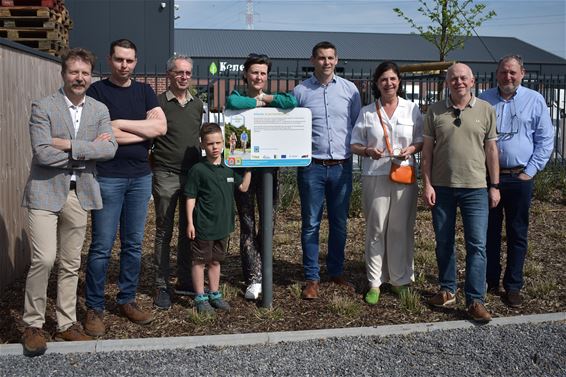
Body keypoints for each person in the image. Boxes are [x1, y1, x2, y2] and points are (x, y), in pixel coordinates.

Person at [20, 48, 117, 356]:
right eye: (74, 72)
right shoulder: (43, 106)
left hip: (81, 193)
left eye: (85, 73)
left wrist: (68, 145)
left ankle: (66, 324)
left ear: (91, 76)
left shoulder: (100, 110)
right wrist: (86, 150)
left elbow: (110, 150)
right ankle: (33, 324)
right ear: (63, 73)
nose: (79, 78)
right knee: (45, 259)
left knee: (71, 263)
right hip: (45, 192)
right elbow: (43, 153)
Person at [84, 39, 167, 336]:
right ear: (110, 60)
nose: (124, 65)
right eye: (119, 59)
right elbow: (99, 133)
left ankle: (127, 299)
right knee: (102, 246)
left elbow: (160, 128)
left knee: (133, 245)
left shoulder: (145, 91)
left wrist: (119, 125)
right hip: (107, 176)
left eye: (129, 60)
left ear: (136, 61)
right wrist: (139, 129)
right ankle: (94, 306)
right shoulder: (96, 91)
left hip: (140, 177)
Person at [421, 63, 500, 323]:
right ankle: (447, 290)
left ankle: (475, 300)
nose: (459, 82)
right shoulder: (435, 111)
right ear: (447, 83)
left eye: (463, 78)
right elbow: (428, 152)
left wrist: (494, 185)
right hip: (442, 188)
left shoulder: (486, 110)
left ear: (473, 80)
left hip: (475, 188)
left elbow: (491, 151)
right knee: (444, 242)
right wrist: (428, 183)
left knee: (477, 245)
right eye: (453, 78)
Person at [479, 55, 554, 307]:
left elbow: (545, 140)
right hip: (490, 178)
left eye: (512, 72)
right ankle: (489, 281)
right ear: (496, 73)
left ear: (522, 73)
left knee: (517, 233)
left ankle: (513, 285)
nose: (507, 77)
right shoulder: (483, 100)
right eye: (503, 72)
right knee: (489, 232)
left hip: (520, 177)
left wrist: (530, 171)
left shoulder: (535, 100)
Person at [225, 53, 298, 300]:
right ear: (246, 73)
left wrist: (267, 99)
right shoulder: (238, 96)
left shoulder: (272, 98)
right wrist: (256, 103)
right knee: (247, 225)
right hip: (243, 171)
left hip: (269, 171)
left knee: (269, 224)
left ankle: (262, 270)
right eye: (254, 72)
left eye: (263, 73)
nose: (258, 77)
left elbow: (292, 101)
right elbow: (232, 102)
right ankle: (252, 280)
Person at [293, 41, 362, 299]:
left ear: (337, 59)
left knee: (339, 223)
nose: (326, 62)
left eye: (330, 57)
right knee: (310, 224)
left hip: (341, 167)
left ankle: (336, 271)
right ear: (313, 60)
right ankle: (312, 277)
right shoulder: (301, 91)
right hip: (312, 166)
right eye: (321, 58)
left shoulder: (350, 90)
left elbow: (357, 125)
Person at [350, 61, 423, 305]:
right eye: (384, 80)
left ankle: (400, 279)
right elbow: (354, 144)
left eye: (392, 79)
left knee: (400, 228)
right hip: (375, 175)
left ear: (399, 81)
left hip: (403, 174)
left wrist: (411, 149)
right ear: (377, 83)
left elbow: (422, 140)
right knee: (376, 228)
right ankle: (375, 282)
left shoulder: (412, 109)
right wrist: (368, 150)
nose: (388, 83)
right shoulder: (368, 111)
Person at [151, 55, 204, 309]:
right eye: (179, 72)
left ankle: (184, 279)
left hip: (192, 176)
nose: (184, 77)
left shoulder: (198, 104)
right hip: (167, 174)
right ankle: (161, 284)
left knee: (189, 230)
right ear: (169, 75)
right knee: (164, 230)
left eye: (188, 73)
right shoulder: (158, 104)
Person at [185, 123, 251, 313]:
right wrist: (190, 222)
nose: (215, 147)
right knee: (199, 261)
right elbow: (191, 197)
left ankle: (214, 294)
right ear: (202, 145)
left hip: (223, 225)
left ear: (224, 143)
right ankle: (200, 297)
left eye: (218, 143)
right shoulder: (198, 170)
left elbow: (243, 187)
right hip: (203, 225)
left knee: (215, 261)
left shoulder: (229, 167)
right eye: (210, 143)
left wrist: (249, 169)